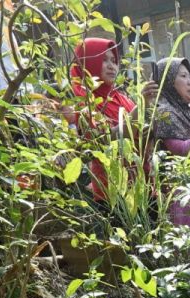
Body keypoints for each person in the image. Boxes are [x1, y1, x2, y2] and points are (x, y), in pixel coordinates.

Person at [70, 38, 158, 203]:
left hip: (143, 185)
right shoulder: (85, 103)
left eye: (114, 61)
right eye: (103, 60)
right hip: (112, 193)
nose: (112, 66)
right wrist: (141, 106)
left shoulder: (122, 99)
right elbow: (102, 141)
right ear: (88, 64)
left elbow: (141, 140)